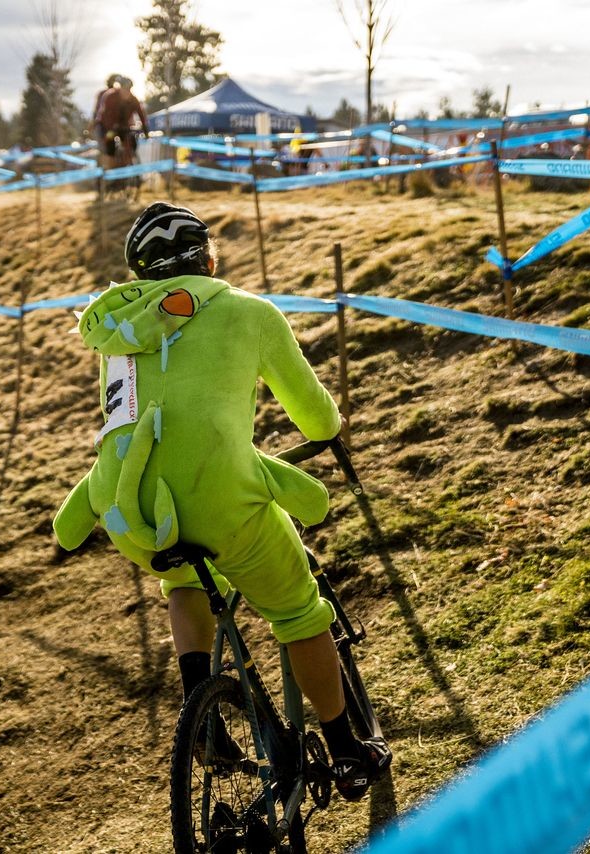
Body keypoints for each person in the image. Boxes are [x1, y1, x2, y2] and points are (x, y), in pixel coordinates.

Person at [54, 202, 392, 801]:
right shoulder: (248, 313)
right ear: (210, 258)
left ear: (138, 278)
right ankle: (344, 749)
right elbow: (315, 416)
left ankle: (201, 710)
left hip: (127, 510)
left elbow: (125, 426)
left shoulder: (116, 330)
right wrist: (328, 432)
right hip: (220, 499)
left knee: (183, 580)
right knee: (297, 612)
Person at [95, 77, 149, 166]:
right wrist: (111, 130)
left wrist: (146, 129)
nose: (127, 92)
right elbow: (106, 115)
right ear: (120, 88)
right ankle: (107, 171)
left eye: (129, 89)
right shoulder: (110, 96)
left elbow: (141, 114)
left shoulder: (133, 99)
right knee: (109, 146)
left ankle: (131, 166)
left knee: (131, 142)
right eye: (124, 89)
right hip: (105, 125)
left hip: (121, 126)